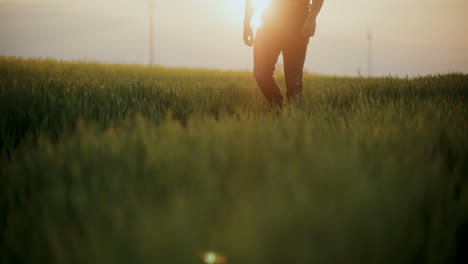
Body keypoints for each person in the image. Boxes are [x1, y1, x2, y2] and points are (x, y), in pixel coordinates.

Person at [244, 0, 324, 107]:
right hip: (269, 22)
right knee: (261, 74)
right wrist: (246, 23)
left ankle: (295, 118)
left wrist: (312, 17)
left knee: (293, 83)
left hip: (297, 25)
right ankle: (280, 110)